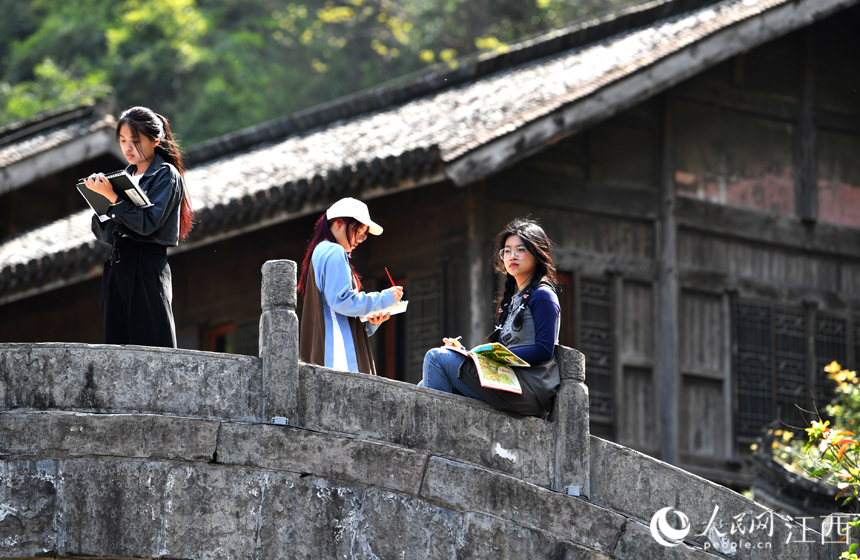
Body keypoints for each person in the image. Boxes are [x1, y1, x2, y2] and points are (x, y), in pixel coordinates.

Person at [419, 218, 561, 419]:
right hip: (507, 380)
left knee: (436, 358)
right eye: (507, 251)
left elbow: (544, 350)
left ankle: (435, 435)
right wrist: (469, 355)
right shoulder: (517, 299)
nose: (512, 256)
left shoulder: (543, 295)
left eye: (521, 249)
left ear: (538, 253)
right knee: (426, 382)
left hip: (528, 389)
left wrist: (490, 358)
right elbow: (502, 351)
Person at [85, 106, 194, 348]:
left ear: (156, 140)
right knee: (116, 346)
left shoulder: (166, 174)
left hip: (146, 266)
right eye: (122, 140)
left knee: (151, 345)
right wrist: (100, 204)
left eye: (135, 140)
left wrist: (113, 199)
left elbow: (147, 224)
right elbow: (105, 233)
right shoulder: (123, 177)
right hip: (117, 268)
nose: (127, 147)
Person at [298, 197, 404, 375]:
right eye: (359, 231)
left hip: (330, 351)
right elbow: (342, 302)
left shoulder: (320, 252)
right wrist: (384, 298)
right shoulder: (334, 251)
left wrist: (370, 324)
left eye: (364, 235)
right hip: (340, 358)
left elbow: (335, 312)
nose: (360, 239)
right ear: (339, 223)